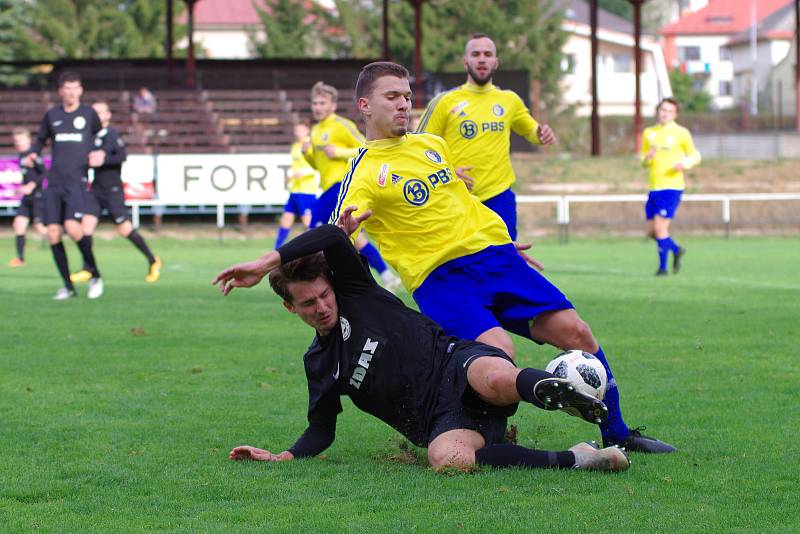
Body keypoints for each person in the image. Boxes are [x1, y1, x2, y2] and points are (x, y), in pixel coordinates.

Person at [332, 61, 676, 453]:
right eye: (392, 97)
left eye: (407, 97)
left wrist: (501, 241)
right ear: (364, 105)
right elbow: (333, 233)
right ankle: (482, 435)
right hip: (441, 280)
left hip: (496, 260)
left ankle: (618, 434)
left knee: (577, 333)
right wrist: (341, 233)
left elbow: (457, 205)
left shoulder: (431, 146)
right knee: (500, 353)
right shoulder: (363, 169)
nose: (403, 105)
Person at [213, 224, 628, 473]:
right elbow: (321, 430)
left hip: (457, 363)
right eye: (308, 303)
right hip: (444, 420)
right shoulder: (320, 363)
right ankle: (581, 459)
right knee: (448, 460)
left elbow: (333, 236)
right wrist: (283, 457)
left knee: (495, 374)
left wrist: (265, 261)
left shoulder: (358, 292)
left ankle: (555, 390)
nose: (321, 307)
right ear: (290, 308)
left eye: (324, 295)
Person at [416, 33, 557, 240]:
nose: (482, 59)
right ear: (466, 62)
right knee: (461, 264)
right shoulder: (444, 102)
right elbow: (419, 148)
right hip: (456, 196)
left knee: (506, 260)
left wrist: (542, 133)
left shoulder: (509, 100)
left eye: (487, 54)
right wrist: (448, 171)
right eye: (475, 54)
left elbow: (532, 131)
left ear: (496, 62)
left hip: (499, 196)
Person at [304, 81, 401, 293]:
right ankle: (385, 276)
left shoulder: (341, 125)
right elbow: (318, 164)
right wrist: (307, 154)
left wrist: (339, 152)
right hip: (328, 186)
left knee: (315, 229)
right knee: (352, 237)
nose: (317, 107)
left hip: (342, 185)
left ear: (332, 105)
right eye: (314, 103)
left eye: (322, 103)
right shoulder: (315, 130)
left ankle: (317, 280)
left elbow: (364, 146)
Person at [25, 71, 104, 300]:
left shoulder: (88, 114)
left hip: (76, 181)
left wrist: (99, 153)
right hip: (55, 181)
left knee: (72, 226)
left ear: (80, 90)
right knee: (52, 233)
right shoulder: (52, 115)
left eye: (74, 87)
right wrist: (32, 153)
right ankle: (68, 286)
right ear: (60, 91)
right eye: (66, 88)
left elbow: (101, 137)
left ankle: (95, 274)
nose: (70, 92)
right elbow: (40, 139)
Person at [70, 101, 162, 284]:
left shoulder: (111, 134)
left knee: (124, 229)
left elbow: (122, 156)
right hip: (95, 189)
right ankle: (88, 268)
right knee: (84, 229)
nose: (97, 116)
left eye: (101, 112)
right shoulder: (90, 135)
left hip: (112, 189)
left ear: (107, 115)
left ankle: (153, 260)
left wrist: (103, 160)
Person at [641, 97, 700, 276]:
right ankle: (675, 249)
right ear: (658, 111)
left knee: (660, 229)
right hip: (654, 188)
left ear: (675, 114)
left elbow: (695, 155)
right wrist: (647, 158)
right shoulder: (649, 133)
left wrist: (685, 164)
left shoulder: (681, 133)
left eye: (669, 111)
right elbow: (643, 162)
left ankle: (663, 268)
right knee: (651, 232)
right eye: (662, 109)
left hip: (671, 187)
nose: (665, 113)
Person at [274, 122, 318, 248]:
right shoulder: (294, 146)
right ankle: (276, 250)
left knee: (308, 223)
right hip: (295, 190)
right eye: (296, 130)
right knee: (285, 220)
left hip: (306, 191)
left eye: (300, 130)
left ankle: (317, 249)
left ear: (307, 131)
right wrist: (290, 178)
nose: (297, 132)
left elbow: (316, 167)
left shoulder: (309, 145)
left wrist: (302, 174)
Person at [8, 128, 47, 267]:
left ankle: (57, 236)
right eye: (17, 141)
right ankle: (20, 259)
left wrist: (31, 185)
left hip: (37, 196)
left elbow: (44, 173)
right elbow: (28, 176)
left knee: (40, 228)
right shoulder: (21, 155)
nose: (19, 143)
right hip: (26, 197)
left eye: (21, 140)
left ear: (29, 140)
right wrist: (20, 190)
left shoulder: (33, 154)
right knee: (18, 225)